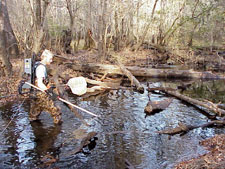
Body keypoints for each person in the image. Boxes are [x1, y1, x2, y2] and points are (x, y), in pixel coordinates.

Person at [29, 49, 62, 124]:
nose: (51, 61)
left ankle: (36, 131)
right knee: (56, 112)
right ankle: (57, 131)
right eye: (50, 59)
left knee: (34, 114)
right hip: (40, 94)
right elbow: (40, 83)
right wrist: (50, 93)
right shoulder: (41, 68)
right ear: (44, 57)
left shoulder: (37, 64)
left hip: (33, 93)